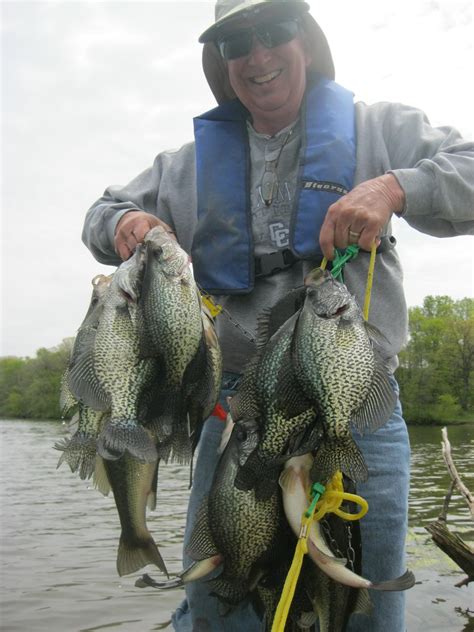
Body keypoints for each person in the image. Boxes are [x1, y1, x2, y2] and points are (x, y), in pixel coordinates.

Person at [82, 1, 474, 629]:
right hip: (238, 407)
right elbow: (101, 213)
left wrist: (394, 187)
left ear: (307, 42)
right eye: (237, 43)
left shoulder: (378, 128)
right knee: (218, 595)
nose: (257, 55)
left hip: (357, 404)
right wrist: (127, 221)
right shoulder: (183, 166)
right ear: (222, 63)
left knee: (369, 601)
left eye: (274, 32)